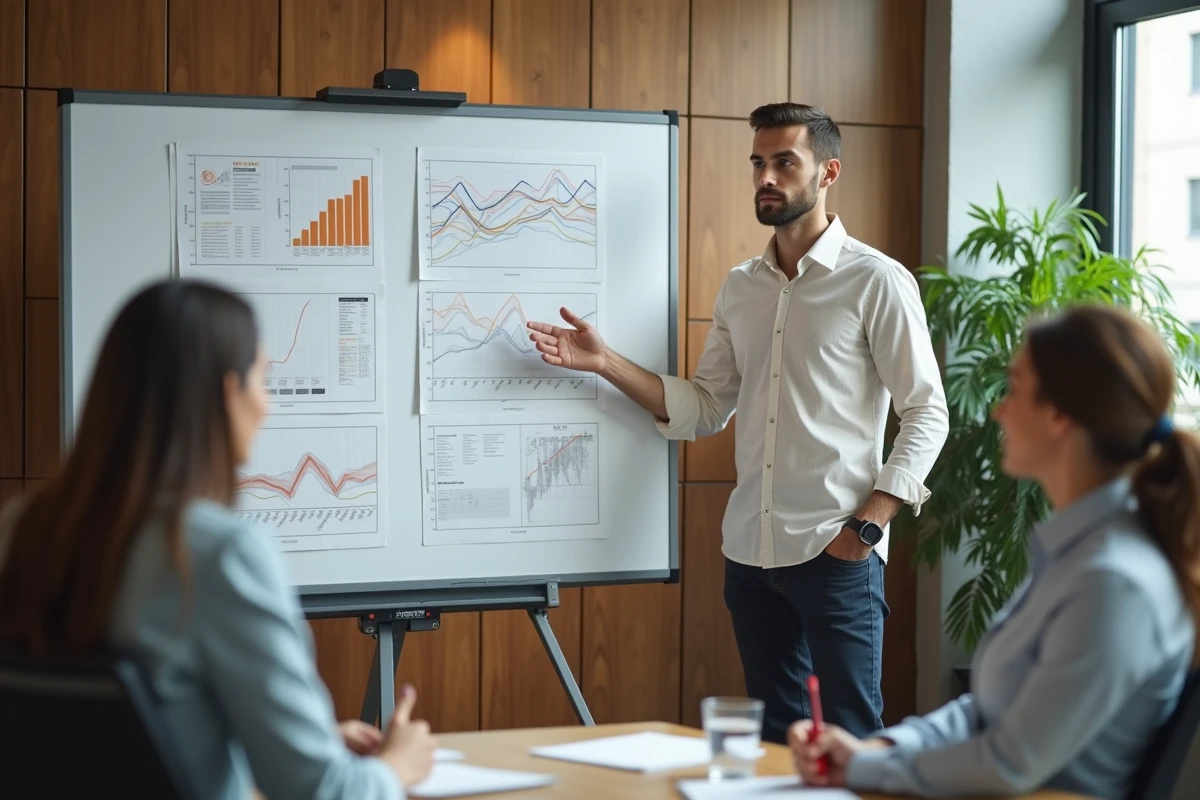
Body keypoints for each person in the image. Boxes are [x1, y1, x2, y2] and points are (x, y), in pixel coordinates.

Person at [527, 102, 949, 741]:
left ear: (828, 172)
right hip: (750, 557)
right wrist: (604, 362)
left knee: (852, 740)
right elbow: (704, 407)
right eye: (758, 163)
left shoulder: (876, 281)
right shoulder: (740, 288)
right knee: (778, 744)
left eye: (785, 162)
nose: (766, 178)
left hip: (838, 553)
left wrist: (866, 528)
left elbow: (927, 412)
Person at [0, 280, 436, 800]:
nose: (267, 407)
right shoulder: (220, 555)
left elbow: (119, 751)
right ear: (228, 394)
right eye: (262, 380)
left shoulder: (18, 530)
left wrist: (278, 749)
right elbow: (324, 794)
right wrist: (396, 766)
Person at [789, 304, 1199, 800]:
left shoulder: (1115, 583)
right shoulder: (1079, 554)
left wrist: (863, 772)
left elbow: (1009, 763)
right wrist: (875, 750)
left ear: (1059, 416)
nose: (996, 409)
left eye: (1014, 389)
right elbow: (981, 712)